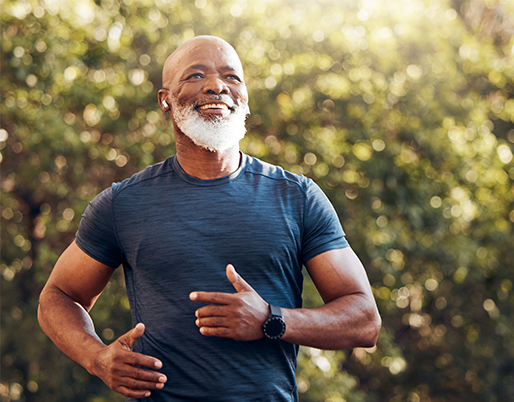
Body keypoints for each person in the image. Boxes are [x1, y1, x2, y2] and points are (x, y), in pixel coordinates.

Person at [38, 35, 381, 401]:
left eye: (232, 77)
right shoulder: (122, 204)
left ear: (245, 96)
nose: (217, 86)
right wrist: (96, 358)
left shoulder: (297, 197)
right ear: (165, 99)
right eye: (196, 75)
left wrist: (271, 319)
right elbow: (57, 297)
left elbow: (364, 321)